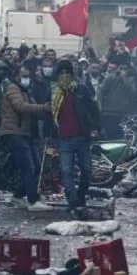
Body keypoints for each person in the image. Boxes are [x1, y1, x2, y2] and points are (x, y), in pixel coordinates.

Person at [0, 66, 53, 211]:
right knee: (28, 167)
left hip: (25, 133)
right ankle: (32, 200)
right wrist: (43, 108)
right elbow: (20, 106)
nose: (27, 79)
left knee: (36, 167)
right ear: (17, 76)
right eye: (24, 76)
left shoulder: (25, 90)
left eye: (28, 76)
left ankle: (18, 196)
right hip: (15, 132)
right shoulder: (13, 89)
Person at [51, 60, 100, 217]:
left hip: (82, 136)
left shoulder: (81, 89)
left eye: (67, 73)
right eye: (62, 73)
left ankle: (81, 196)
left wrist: (96, 128)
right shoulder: (54, 93)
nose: (65, 76)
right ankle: (72, 201)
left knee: (86, 169)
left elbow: (93, 109)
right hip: (64, 138)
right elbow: (48, 114)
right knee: (67, 171)